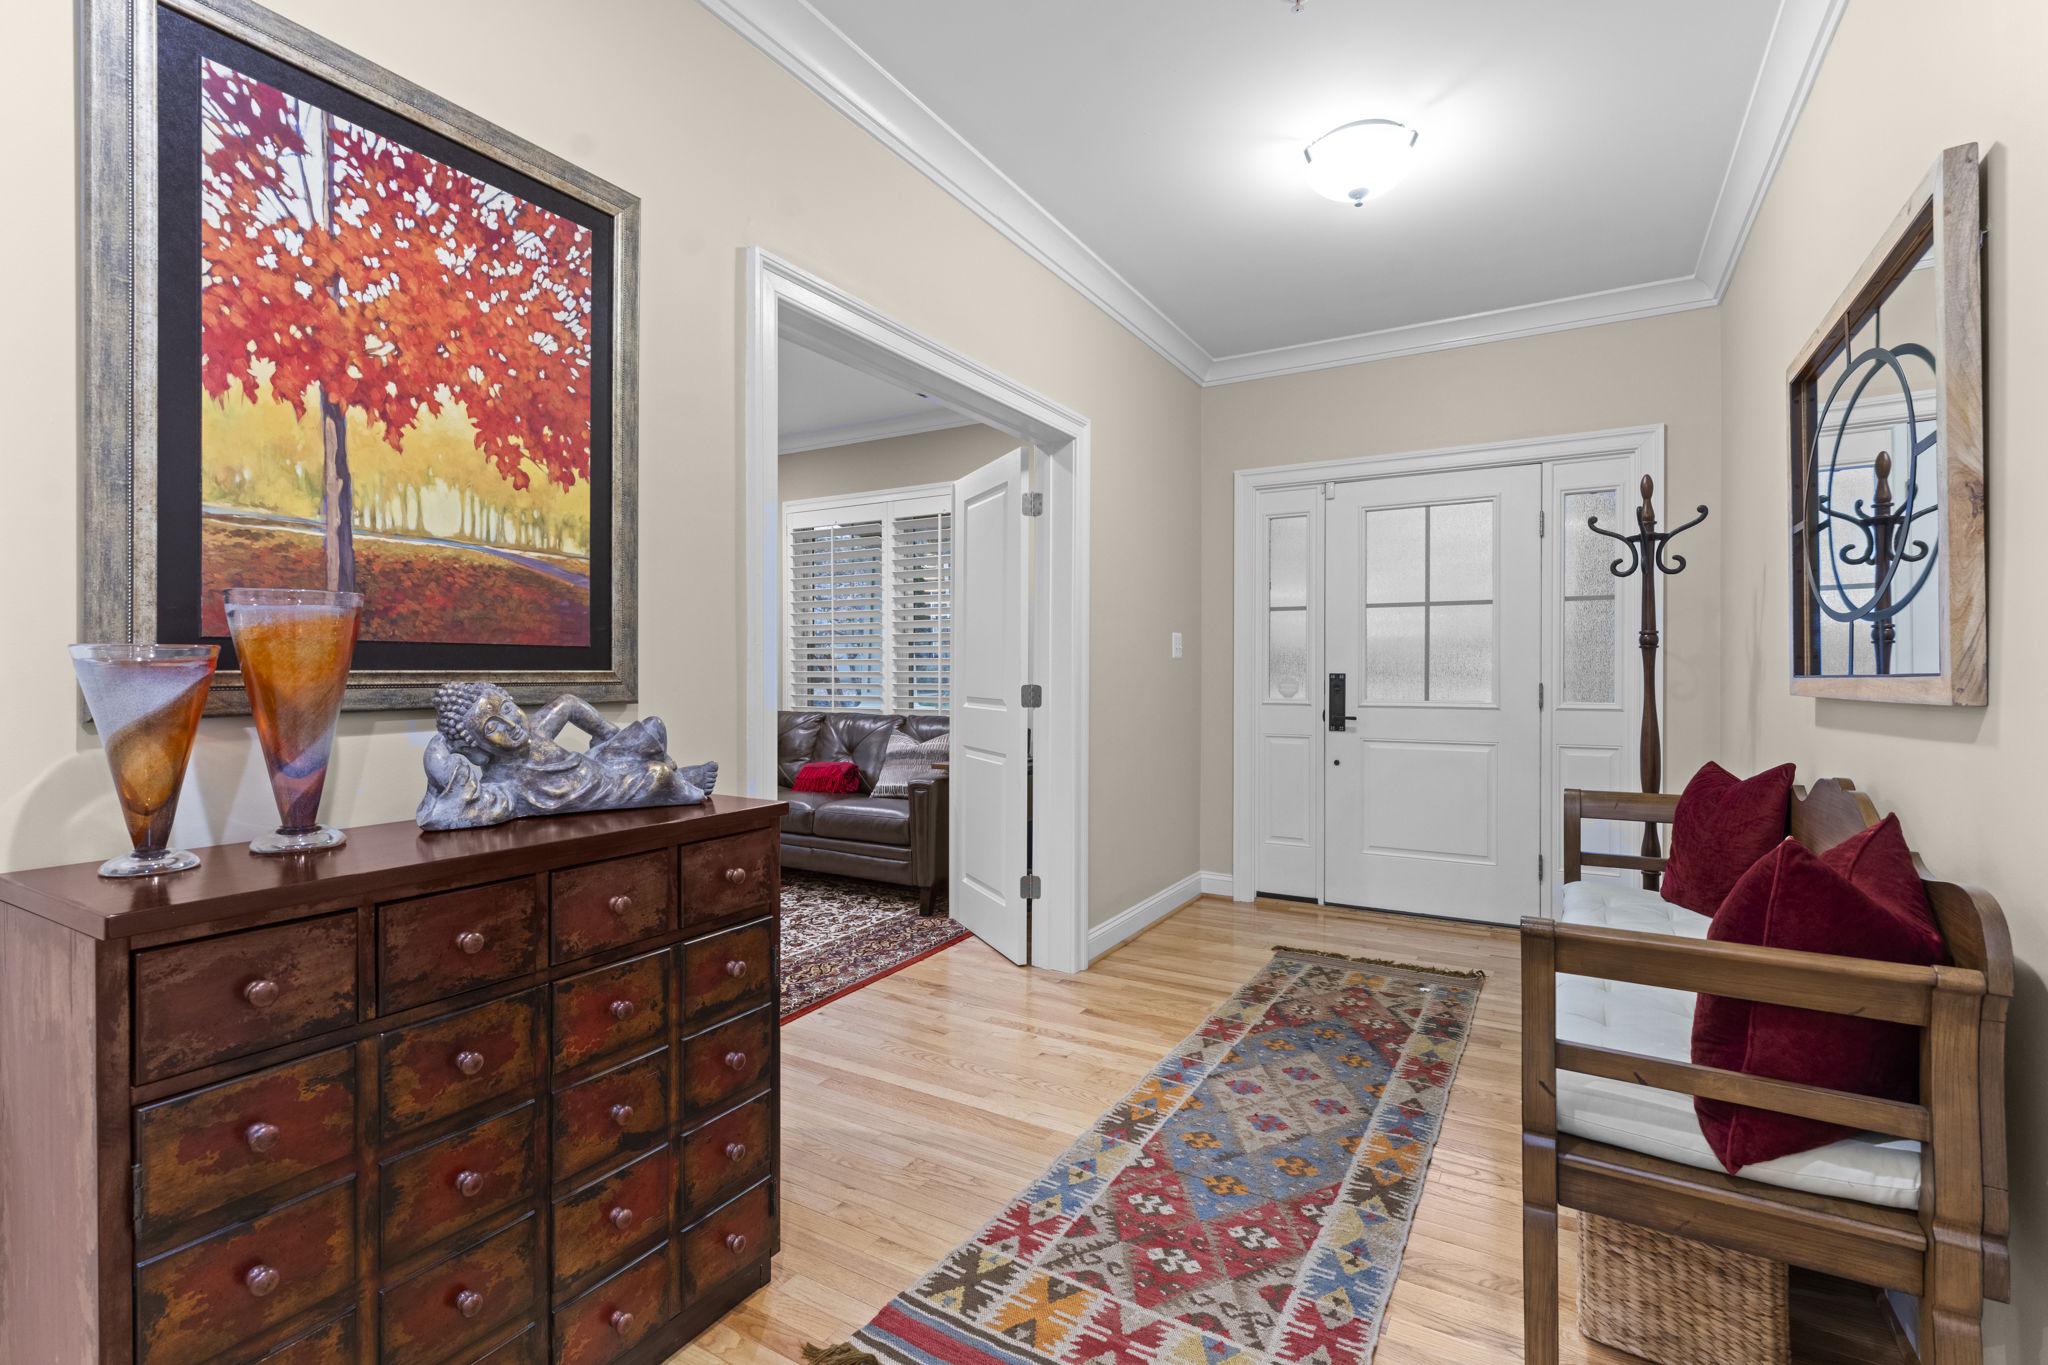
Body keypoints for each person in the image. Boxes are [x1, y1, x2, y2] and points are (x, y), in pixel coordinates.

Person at [417, 681, 717, 831]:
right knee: (658, 775)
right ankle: (683, 786)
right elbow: (458, 809)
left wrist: (608, 737)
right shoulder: (505, 783)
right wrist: (441, 747)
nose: (511, 726)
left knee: (652, 728)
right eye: (492, 727)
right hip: (600, 791)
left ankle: (672, 781)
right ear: (477, 748)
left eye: (507, 710)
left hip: (598, 764)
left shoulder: (534, 730)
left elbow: (569, 704)